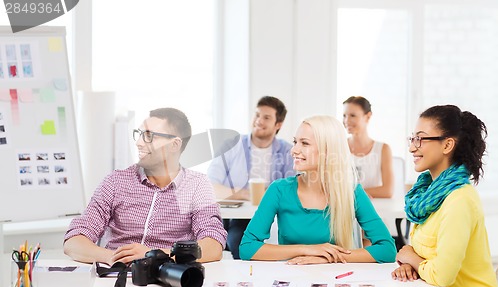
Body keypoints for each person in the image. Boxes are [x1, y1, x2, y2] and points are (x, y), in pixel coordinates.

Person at [64, 108, 227, 265]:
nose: (139, 143)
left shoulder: (197, 185)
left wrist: (154, 255)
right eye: (139, 134)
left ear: (175, 145)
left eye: (149, 136)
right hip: (116, 278)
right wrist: (115, 257)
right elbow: (73, 241)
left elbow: (213, 246)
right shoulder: (116, 181)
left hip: (168, 278)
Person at [239, 115, 396, 264]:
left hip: (336, 282)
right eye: (295, 142)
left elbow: (387, 249)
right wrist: (308, 250)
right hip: (291, 280)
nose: (294, 150)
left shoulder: (351, 192)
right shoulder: (279, 190)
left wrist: (329, 258)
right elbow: (247, 248)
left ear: (328, 151)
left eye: (305, 143)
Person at [392, 105, 498, 287]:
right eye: (412, 138)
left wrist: (410, 256)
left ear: (447, 145)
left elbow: (442, 275)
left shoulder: (459, 200)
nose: (412, 147)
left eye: (420, 139)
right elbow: (427, 259)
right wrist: (411, 264)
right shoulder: (428, 196)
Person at [207, 96, 295, 259]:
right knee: (240, 248)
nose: (259, 121)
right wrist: (246, 194)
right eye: (257, 115)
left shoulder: (288, 151)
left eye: (266, 117)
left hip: (276, 217)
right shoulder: (232, 145)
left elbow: (294, 188)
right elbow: (210, 185)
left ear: (278, 124)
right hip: (240, 219)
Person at [343, 96, 394, 198]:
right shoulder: (339, 147)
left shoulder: (383, 149)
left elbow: (387, 191)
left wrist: (354, 194)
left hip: (374, 208)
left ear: (368, 116)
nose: (346, 121)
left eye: (352, 115)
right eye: (344, 115)